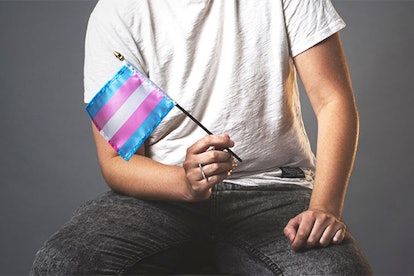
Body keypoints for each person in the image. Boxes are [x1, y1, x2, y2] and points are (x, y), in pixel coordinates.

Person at [31, 0, 372, 274]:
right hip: (159, 198)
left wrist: (326, 207)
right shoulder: (119, 12)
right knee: (62, 264)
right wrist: (183, 180)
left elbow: (333, 102)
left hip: (274, 190)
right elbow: (117, 162)